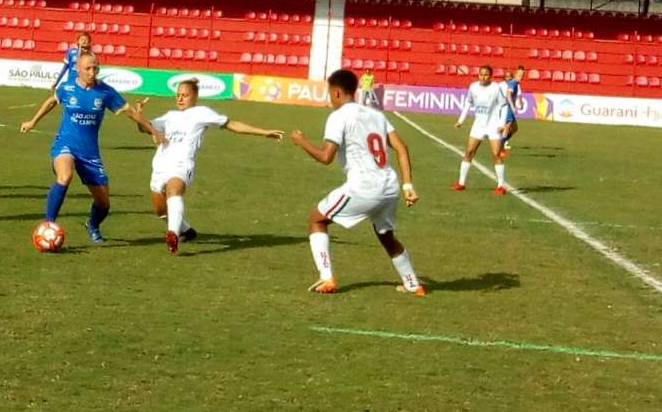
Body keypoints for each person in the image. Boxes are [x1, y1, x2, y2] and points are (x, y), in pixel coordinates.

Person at [290, 69, 424, 296]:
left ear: (338, 92)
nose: (330, 98)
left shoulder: (338, 116)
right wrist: (408, 186)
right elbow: (402, 148)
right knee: (386, 236)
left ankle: (326, 278)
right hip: (389, 186)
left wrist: (301, 141)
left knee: (316, 219)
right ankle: (413, 284)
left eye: (330, 94)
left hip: (364, 186)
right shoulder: (377, 115)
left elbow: (325, 157)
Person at [20, 52, 166, 243]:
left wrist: (153, 131)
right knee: (64, 176)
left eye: (95, 68)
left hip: (90, 153)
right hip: (65, 145)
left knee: (104, 202)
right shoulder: (68, 87)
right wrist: (33, 121)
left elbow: (130, 112)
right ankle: (48, 225)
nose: (92, 72)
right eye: (88, 68)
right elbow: (51, 101)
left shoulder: (105, 92)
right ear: (78, 69)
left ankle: (93, 225)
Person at [132, 79, 284, 253]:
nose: (180, 99)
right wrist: (139, 117)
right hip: (160, 168)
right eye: (178, 95)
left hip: (182, 165)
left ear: (195, 97)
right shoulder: (169, 116)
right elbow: (145, 129)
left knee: (173, 190)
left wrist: (264, 132)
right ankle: (187, 231)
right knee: (161, 211)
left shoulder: (201, 113)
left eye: (185, 95)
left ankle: (172, 235)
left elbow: (232, 124)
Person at [454, 64, 509, 194]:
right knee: (469, 152)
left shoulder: (495, 88)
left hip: (493, 126)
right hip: (478, 125)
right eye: (481, 74)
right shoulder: (473, 87)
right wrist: (460, 120)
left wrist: (501, 123)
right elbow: (468, 103)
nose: (483, 77)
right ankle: (461, 183)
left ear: (490, 76)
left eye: (486, 75)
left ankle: (500, 186)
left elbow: (504, 105)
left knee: (496, 154)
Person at [498, 65, 524, 154]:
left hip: (509, 107)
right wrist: (512, 106)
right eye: (520, 75)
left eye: (523, 75)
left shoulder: (516, 83)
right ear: (516, 75)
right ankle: (500, 148)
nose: (522, 77)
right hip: (508, 107)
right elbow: (508, 95)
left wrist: (519, 104)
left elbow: (515, 95)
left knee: (514, 128)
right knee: (507, 127)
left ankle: (501, 144)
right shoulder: (512, 83)